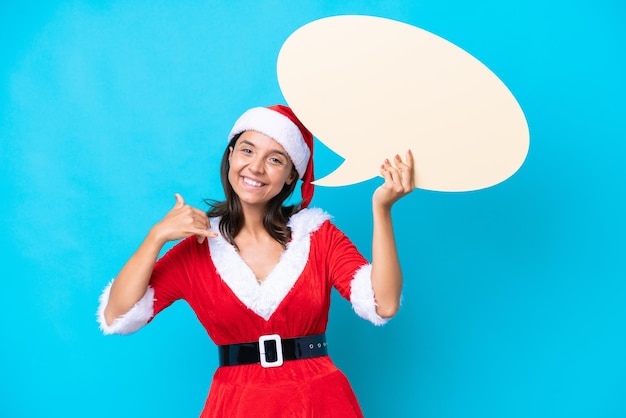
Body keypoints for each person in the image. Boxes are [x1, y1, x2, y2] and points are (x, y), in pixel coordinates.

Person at [97, 104, 414, 417]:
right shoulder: (198, 246)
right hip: (237, 404)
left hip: (320, 401)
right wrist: (156, 237)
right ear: (231, 154)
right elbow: (118, 314)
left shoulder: (318, 236)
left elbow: (383, 304)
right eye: (247, 151)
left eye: (275, 159)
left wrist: (382, 209)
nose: (256, 167)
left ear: (292, 176)